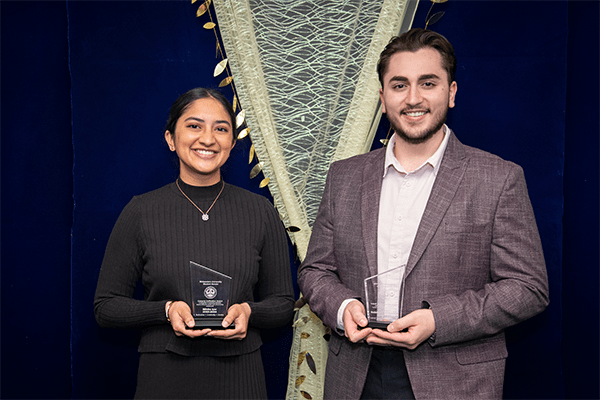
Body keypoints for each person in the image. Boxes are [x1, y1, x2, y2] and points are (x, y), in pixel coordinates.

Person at [298, 28, 549, 399]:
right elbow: (315, 270)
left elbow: (528, 289)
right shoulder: (344, 176)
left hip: (455, 381)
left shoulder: (499, 178)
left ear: (451, 92)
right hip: (356, 377)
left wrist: (437, 320)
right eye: (399, 86)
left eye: (427, 83)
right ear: (382, 98)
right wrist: (343, 306)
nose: (413, 98)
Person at [94, 87, 295, 399]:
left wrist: (248, 312)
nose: (208, 139)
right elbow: (106, 308)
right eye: (194, 126)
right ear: (170, 139)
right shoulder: (141, 211)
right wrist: (166, 310)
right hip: (164, 377)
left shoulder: (260, 211)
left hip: (241, 379)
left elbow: (283, 304)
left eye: (221, 128)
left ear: (232, 142)